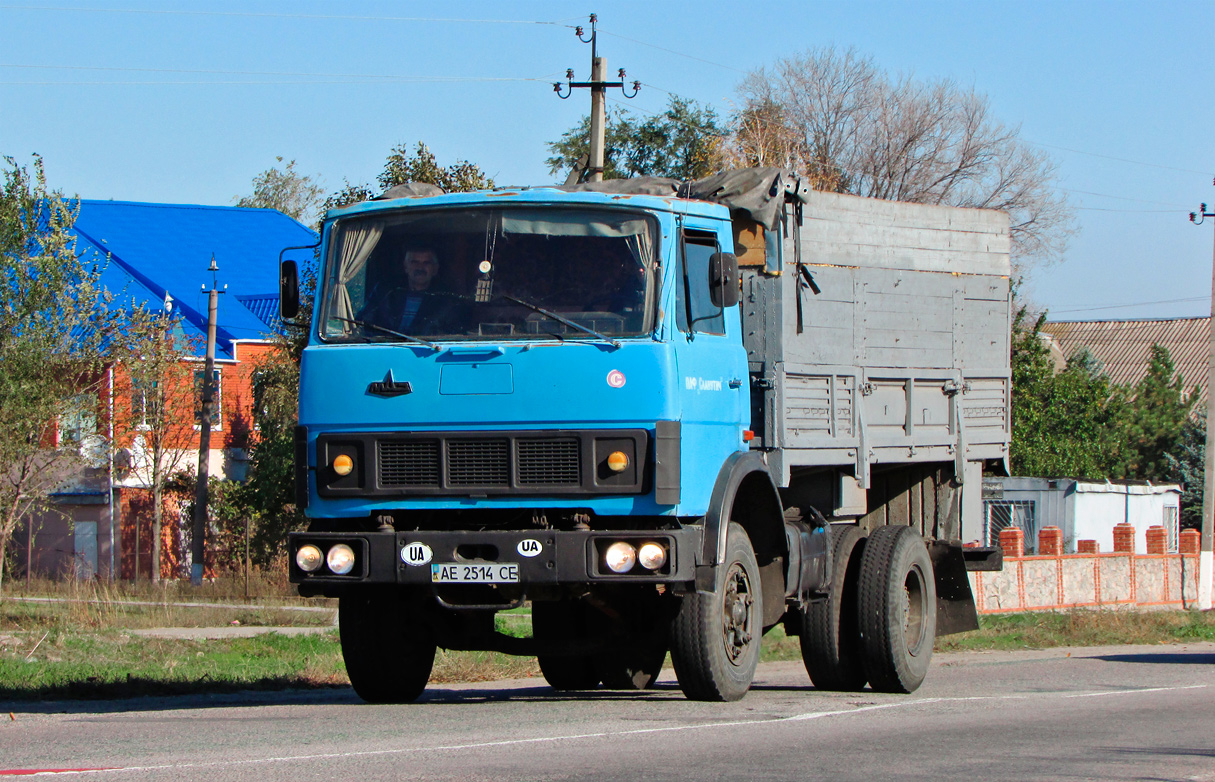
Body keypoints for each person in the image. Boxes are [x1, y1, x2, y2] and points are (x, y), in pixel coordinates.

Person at [360, 247, 463, 335]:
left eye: (426, 263)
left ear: (435, 269)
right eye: (415, 262)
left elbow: (451, 333)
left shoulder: (446, 300)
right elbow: (364, 321)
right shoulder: (385, 292)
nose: (420, 267)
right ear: (405, 267)